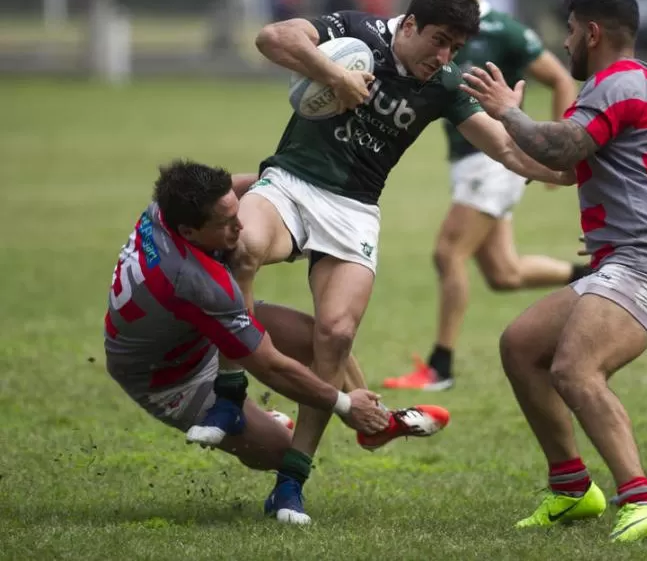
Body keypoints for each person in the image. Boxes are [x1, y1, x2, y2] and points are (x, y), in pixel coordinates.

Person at [189, 0, 573, 524]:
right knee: (243, 247)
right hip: (293, 184)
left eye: (455, 49)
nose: (442, 56)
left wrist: (567, 157)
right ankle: (229, 394)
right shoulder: (355, 31)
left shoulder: (443, 83)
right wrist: (334, 75)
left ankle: (291, 484)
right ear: (410, 23)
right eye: (437, 40)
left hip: (354, 213)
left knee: (337, 335)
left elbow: (510, 153)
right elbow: (272, 37)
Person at [460, 0, 647, 543]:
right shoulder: (621, 83)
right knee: (521, 346)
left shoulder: (618, 83)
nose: (565, 41)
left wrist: (510, 114)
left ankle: (643, 499)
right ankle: (572, 489)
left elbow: (563, 147)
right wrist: (484, 127)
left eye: (569, 30)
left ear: (591, 33)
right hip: (633, 255)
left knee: (575, 369)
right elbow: (567, 167)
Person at [104, 160, 450, 519]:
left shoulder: (167, 207)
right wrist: (344, 403)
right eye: (226, 224)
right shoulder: (199, 281)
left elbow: (261, 185)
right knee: (283, 451)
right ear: (189, 231)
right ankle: (310, 418)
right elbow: (270, 366)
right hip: (169, 375)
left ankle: (375, 424)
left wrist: (296, 192)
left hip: (191, 325)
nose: (240, 225)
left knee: (327, 336)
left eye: (236, 213)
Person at [383, 0, 583, 392]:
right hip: (469, 159)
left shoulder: (502, 28)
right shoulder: (432, 24)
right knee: (503, 273)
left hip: (493, 157)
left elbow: (557, 78)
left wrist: (556, 147)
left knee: (448, 252)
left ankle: (441, 367)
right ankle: (591, 277)